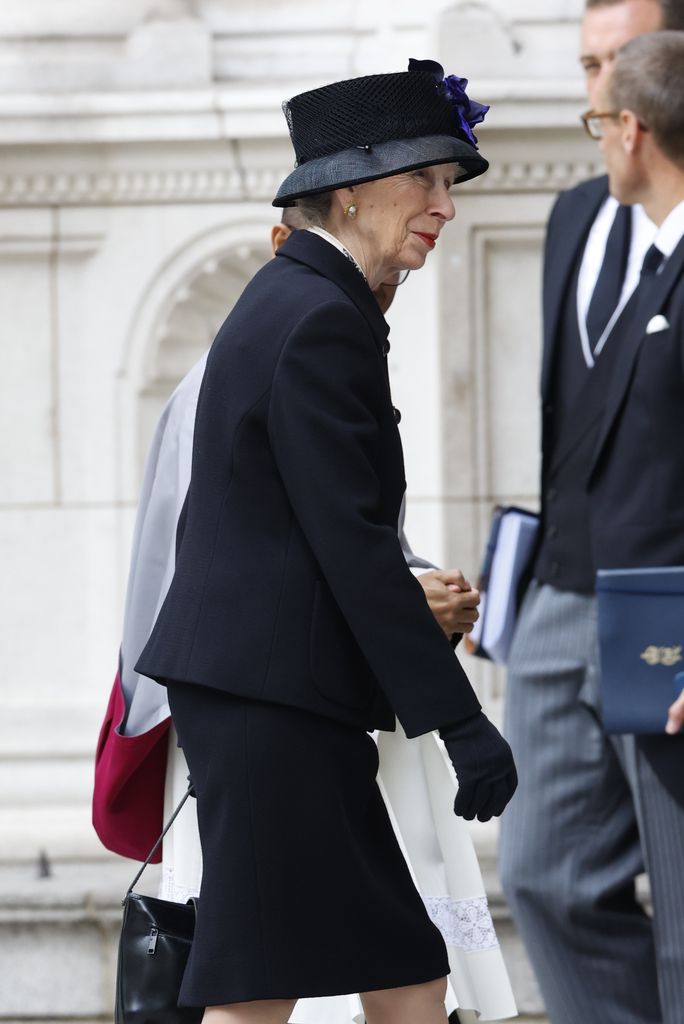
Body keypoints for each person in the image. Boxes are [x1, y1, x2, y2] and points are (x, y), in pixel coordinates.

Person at [135, 59, 517, 1024]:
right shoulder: (317, 317)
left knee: (395, 966)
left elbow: (315, 527)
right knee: (267, 986)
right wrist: (462, 724)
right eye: (426, 178)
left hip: (274, 701)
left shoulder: (306, 300)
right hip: (270, 707)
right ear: (349, 190)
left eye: (450, 183)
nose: (447, 205)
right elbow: (347, 545)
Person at [498, 4, 684, 1023]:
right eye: (591, 64)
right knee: (540, 869)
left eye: (625, 63)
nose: (604, 86)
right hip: (562, 591)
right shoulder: (575, 212)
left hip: (663, 607)